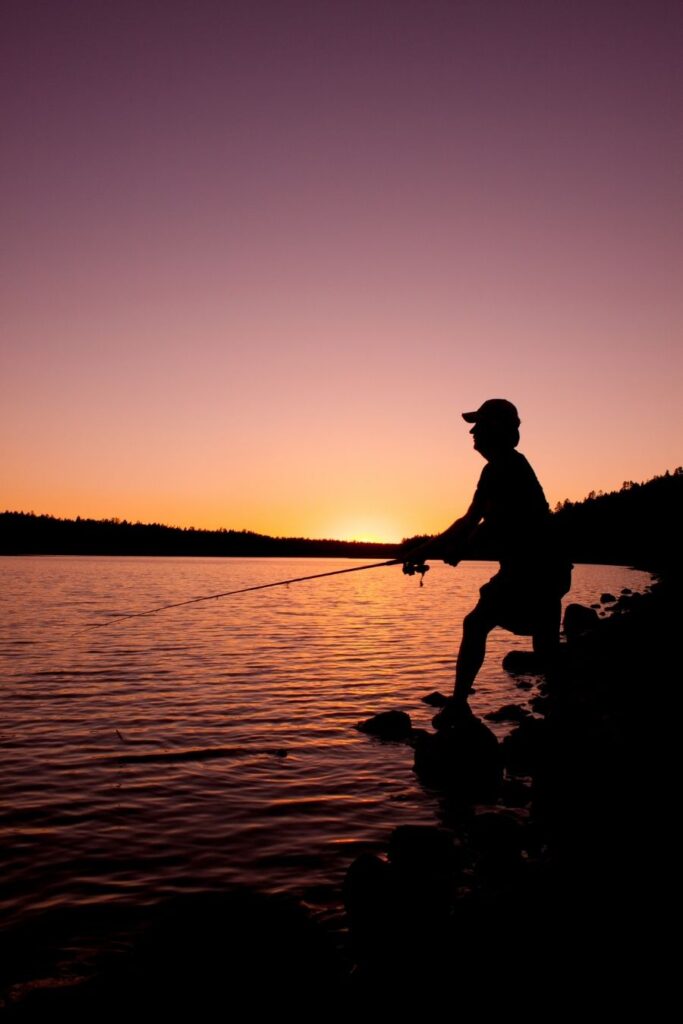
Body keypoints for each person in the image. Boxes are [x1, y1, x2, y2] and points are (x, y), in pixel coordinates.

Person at [404, 399, 571, 726]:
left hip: (536, 569)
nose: (473, 431)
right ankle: (563, 709)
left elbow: (498, 524)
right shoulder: (497, 468)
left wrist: (458, 548)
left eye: (479, 424)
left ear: (497, 429)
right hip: (541, 568)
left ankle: (459, 705)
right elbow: (470, 519)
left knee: (477, 624)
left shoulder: (506, 467)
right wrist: (423, 549)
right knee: (544, 641)